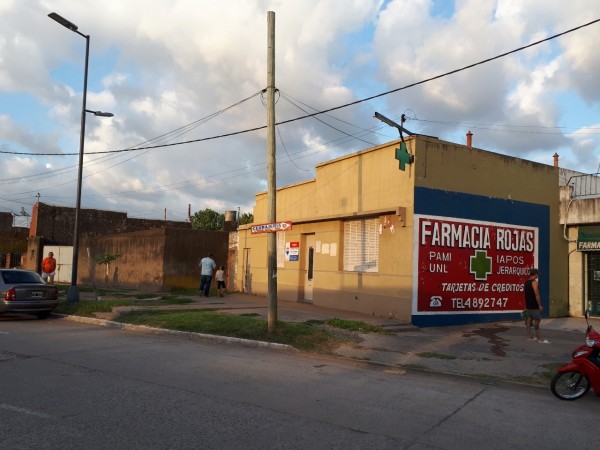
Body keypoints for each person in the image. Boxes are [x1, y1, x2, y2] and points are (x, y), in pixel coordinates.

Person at [524, 268, 550, 344]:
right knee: (537, 321)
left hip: (528, 305)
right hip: (534, 305)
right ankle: (539, 339)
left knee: (529, 319)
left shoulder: (526, 282)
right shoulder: (534, 282)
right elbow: (536, 294)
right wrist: (539, 305)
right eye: (537, 274)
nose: (538, 275)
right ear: (535, 274)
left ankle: (529, 337)